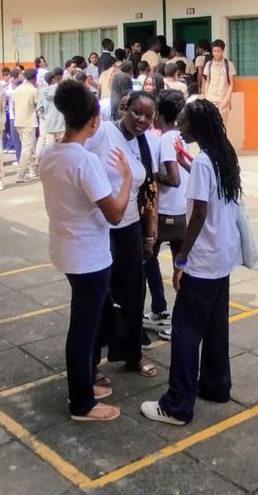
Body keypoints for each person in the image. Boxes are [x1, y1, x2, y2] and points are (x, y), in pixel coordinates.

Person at [140, 99, 242, 426]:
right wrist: (188, 166)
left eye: (183, 122)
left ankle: (177, 405)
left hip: (203, 259)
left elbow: (198, 212)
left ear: (196, 125)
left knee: (185, 330)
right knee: (215, 326)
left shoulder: (202, 162)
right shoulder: (222, 154)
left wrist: (182, 257)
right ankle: (216, 385)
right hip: (223, 255)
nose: (180, 127)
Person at [39, 80, 132, 422]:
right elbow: (116, 213)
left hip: (65, 249)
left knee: (87, 323)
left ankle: (85, 384)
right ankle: (81, 402)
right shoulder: (84, 161)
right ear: (94, 121)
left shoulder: (48, 153)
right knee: (83, 328)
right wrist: (124, 179)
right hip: (88, 257)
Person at [86, 91, 160, 379]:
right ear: (124, 108)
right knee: (99, 295)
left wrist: (149, 235)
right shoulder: (102, 133)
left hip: (129, 227)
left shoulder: (145, 143)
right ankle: (90, 364)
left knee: (133, 293)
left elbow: (149, 190)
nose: (141, 120)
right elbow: (77, 160)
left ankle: (131, 354)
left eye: (148, 116)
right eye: (136, 113)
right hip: (100, 227)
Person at [143, 90, 188, 337]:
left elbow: (174, 178)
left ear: (159, 114)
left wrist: (150, 174)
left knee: (148, 258)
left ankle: (166, 314)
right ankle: (163, 310)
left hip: (168, 213)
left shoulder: (165, 140)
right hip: (181, 211)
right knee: (180, 265)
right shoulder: (183, 136)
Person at [13, 68, 40, 183]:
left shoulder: (17, 89)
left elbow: (14, 107)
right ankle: (20, 174)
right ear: (34, 78)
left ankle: (33, 170)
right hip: (29, 121)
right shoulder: (34, 91)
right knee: (27, 149)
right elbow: (38, 106)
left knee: (28, 148)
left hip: (18, 121)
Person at [202, 40, 236, 126]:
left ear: (223, 51)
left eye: (218, 51)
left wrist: (226, 99)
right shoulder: (209, 64)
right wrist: (205, 98)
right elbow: (207, 82)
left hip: (223, 100)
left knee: (222, 126)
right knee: (210, 125)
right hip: (211, 99)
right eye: (214, 51)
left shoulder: (229, 64)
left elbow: (232, 84)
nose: (216, 53)